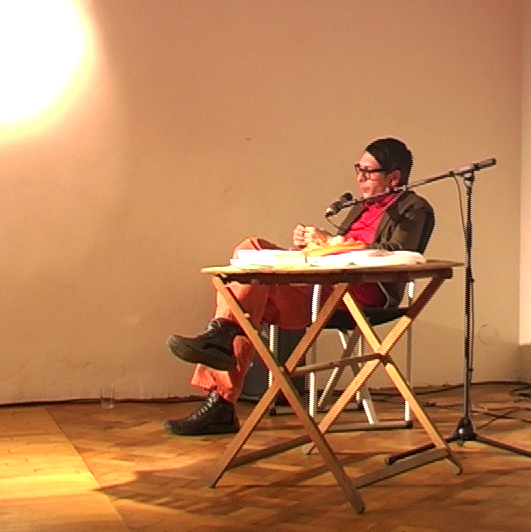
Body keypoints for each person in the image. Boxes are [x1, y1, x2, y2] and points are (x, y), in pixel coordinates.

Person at [165, 137, 434, 435]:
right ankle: (222, 341)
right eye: (358, 169)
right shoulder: (361, 207)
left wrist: (330, 242)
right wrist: (310, 247)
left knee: (245, 293)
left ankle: (221, 387)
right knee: (251, 251)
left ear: (394, 178)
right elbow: (337, 250)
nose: (359, 178)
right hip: (321, 283)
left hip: (356, 295)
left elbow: (396, 253)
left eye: (368, 172)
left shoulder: (414, 209)